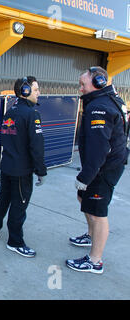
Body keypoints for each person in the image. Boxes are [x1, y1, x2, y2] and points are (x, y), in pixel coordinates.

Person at [66, 66, 129, 274]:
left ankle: (95, 261)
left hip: (103, 169)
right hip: (105, 165)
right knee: (83, 199)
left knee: (98, 212)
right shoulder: (111, 100)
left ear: (99, 82)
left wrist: (86, 176)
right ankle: (90, 235)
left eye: (83, 85)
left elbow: (99, 148)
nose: (80, 89)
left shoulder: (99, 107)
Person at [0, 76, 47, 258]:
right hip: (21, 170)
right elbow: (37, 146)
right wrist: (41, 171)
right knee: (19, 205)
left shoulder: (10, 111)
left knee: (3, 198)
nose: (39, 93)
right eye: (35, 90)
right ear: (25, 92)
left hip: (7, 166)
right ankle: (15, 242)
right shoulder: (31, 114)